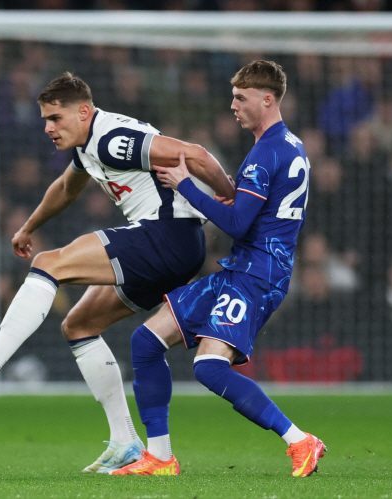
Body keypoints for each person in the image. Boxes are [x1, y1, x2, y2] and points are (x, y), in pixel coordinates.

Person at [0, 72, 235, 473]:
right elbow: (64, 189)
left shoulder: (112, 139)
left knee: (48, 264)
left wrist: (226, 191)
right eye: (44, 119)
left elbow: (194, 154)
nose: (48, 127)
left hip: (169, 234)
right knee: (78, 324)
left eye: (55, 118)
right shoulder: (88, 146)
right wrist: (28, 227)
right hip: (174, 246)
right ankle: (125, 442)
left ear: (84, 111)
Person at [112, 61, 326, 477]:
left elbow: (236, 225)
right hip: (243, 268)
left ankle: (300, 440)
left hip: (257, 276)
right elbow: (250, 215)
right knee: (146, 340)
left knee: (209, 367)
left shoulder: (265, 152)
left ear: (267, 99)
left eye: (241, 98)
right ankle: (159, 457)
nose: (233, 105)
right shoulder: (291, 145)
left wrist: (186, 184)